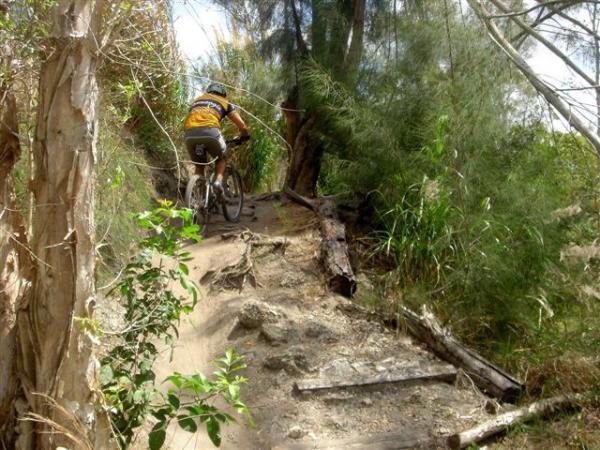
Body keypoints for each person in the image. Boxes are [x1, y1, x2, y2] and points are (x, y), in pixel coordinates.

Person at [183, 83, 250, 195]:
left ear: (208, 91)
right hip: (210, 132)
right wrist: (245, 136)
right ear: (223, 94)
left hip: (189, 134)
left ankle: (198, 197)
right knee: (221, 159)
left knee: (199, 166)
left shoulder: (197, 100)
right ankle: (218, 183)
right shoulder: (225, 102)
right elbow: (242, 126)